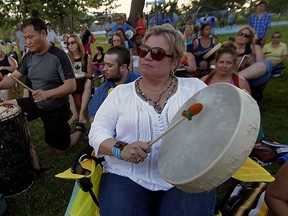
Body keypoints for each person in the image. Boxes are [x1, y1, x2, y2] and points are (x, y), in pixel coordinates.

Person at [88, 24, 215, 215]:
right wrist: (121, 149)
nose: (146, 57)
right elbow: (97, 133)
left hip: (186, 174)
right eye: (144, 50)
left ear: (176, 62)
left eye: (157, 53)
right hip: (126, 175)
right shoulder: (121, 93)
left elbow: (218, 127)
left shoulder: (195, 88)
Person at [0, 17, 82, 154]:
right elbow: (12, 79)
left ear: (43, 33)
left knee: (61, 149)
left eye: (30, 37)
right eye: (25, 38)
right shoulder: (29, 57)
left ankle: (79, 129)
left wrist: (47, 94)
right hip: (36, 102)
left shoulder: (59, 55)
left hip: (55, 107)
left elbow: (71, 85)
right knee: (5, 107)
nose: (27, 42)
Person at [88, 46, 140, 123]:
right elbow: (94, 119)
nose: (104, 69)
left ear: (123, 67)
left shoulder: (141, 84)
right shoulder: (101, 91)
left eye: (109, 65)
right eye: (104, 64)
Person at [67, 34, 92, 124]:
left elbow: (90, 75)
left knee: (88, 82)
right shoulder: (67, 57)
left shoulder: (86, 57)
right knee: (65, 86)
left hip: (83, 82)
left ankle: (81, 113)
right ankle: (74, 114)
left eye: (72, 43)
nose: (70, 45)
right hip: (72, 82)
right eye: (68, 43)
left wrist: (84, 74)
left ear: (78, 43)